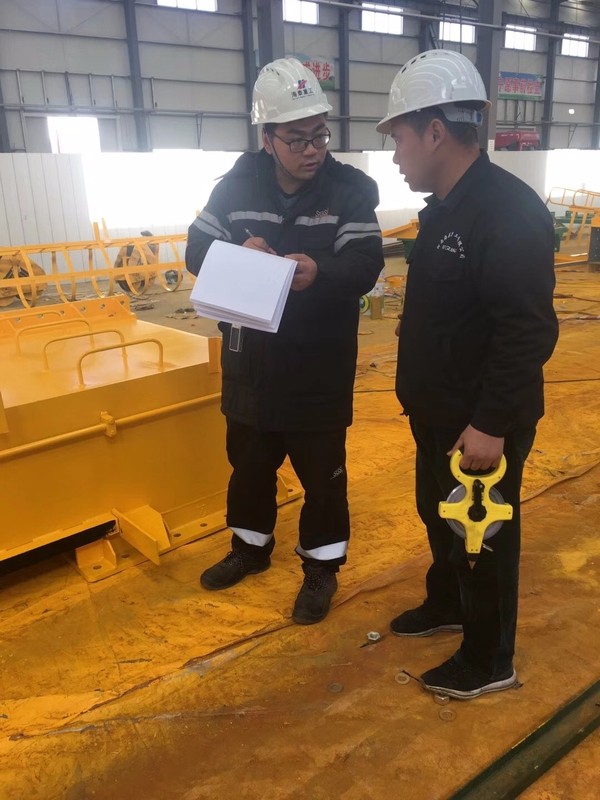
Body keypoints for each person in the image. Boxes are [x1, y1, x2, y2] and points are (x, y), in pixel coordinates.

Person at [376, 50, 558, 698]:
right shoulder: (447, 208)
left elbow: (528, 329)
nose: (395, 155)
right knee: (440, 517)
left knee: (481, 536)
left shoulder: (505, 212)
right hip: (439, 412)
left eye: (398, 137)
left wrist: (490, 423)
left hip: (479, 424)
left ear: (434, 132)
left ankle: (487, 660)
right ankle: (449, 603)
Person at [186, 58, 384, 624]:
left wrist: (319, 271)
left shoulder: (349, 191)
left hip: (318, 366)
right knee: (248, 465)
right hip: (250, 363)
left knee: (323, 477)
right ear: (267, 137)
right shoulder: (235, 186)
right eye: (297, 138)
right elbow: (195, 250)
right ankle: (249, 549)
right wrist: (233, 254)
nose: (312, 149)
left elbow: (366, 262)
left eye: (319, 135)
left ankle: (321, 568)